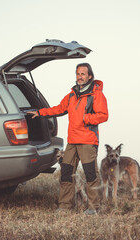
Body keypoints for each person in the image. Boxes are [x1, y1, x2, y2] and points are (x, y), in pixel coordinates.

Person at [28, 63, 108, 215]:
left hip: (88, 141)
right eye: (78, 74)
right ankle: (65, 206)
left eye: (83, 74)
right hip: (72, 141)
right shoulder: (72, 95)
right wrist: (40, 112)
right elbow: (59, 108)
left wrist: (86, 118)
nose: (80, 77)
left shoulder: (96, 94)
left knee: (90, 174)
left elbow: (103, 115)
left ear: (90, 76)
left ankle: (93, 207)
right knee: (66, 172)